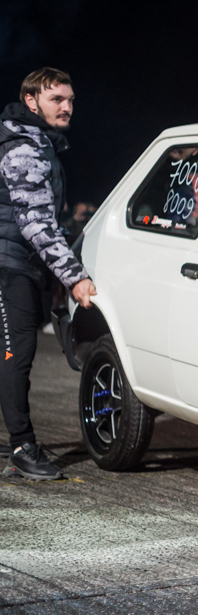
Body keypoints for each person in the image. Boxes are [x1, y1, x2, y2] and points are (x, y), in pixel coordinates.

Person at [0, 68, 96, 480]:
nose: (67, 106)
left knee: (12, 354)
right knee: (16, 354)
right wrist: (74, 276)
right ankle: (22, 447)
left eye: (70, 99)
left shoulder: (40, 142)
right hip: (10, 265)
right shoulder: (24, 146)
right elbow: (36, 222)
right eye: (56, 99)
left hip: (23, 264)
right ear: (31, 101)